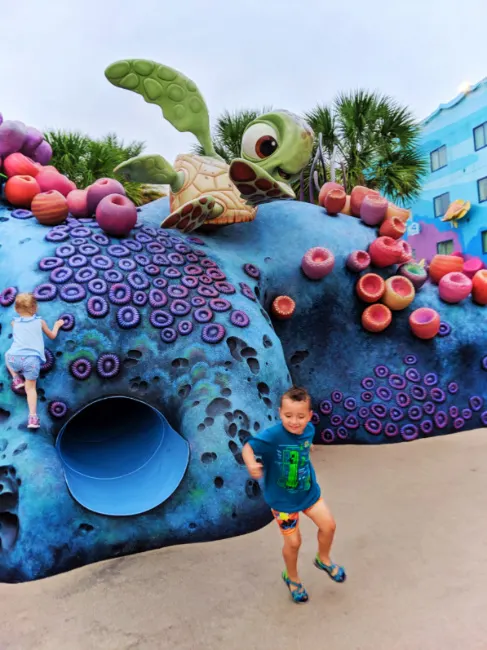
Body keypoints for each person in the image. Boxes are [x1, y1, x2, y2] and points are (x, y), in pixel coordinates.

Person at [242, 386, 346, 603]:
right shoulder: (273, 436)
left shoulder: (308, 431)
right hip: (283, 503)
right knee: (294, 543)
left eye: (300, 416)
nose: (294, 421)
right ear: (280, 413)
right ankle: (292, 577)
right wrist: (252, 464)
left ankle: (323, 559)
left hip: (308, 493)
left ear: (309, 415)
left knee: (329, 526)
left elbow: (305, 443)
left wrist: (309, 447)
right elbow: (248, 447)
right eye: (288, 416)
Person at [5, 293, 65, 429]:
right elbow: (52, 336)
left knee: (7, 354)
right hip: (31, 361)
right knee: (31, 389)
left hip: (15, 358)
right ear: (35, 308)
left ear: (16, 310)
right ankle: (32, 418)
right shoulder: (40, 322)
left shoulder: (14, 323)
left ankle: (16, 378)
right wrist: (57, 325)